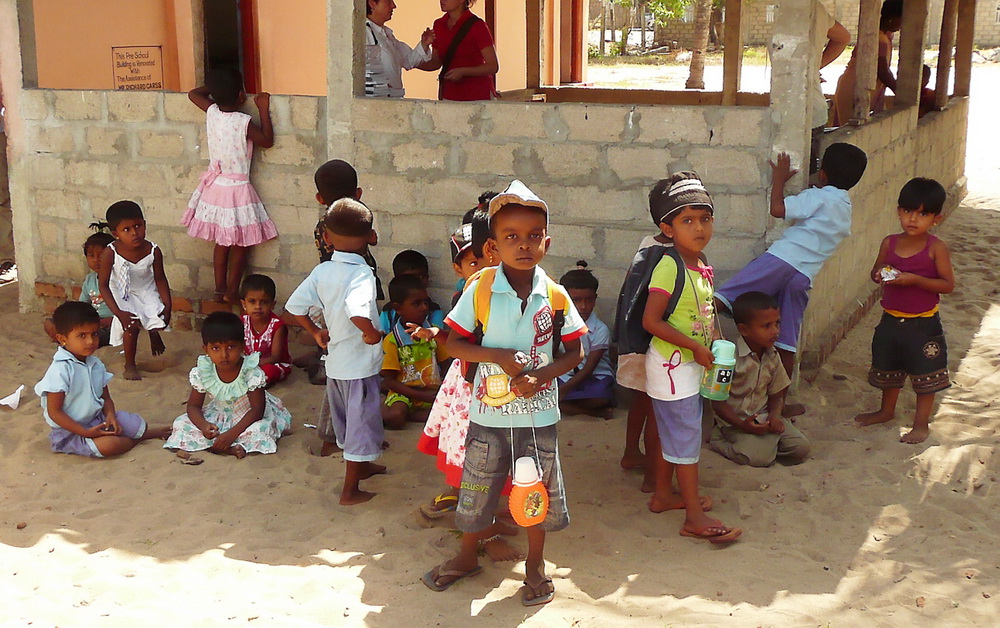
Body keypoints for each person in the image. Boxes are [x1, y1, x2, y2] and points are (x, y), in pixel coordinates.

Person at [421, 180, 587, 607]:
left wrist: (543, 375)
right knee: (477, 490)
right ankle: (466, 557)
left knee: (535, 493)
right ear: (493, 247)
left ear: (547, 242)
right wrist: (495, 355)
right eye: (511, 237)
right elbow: (451, 343)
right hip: (487, 417)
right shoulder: (480, 288)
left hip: (538, 418)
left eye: (534, 236)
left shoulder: (555, 296)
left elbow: (575, 352)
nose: (524, 245)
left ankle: (535, 567)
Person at [715, 144, 868, 415]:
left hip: (782, 260)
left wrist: (779, 179)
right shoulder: (844, 208)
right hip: (803, 277)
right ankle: (778, 405)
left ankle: (691, 330)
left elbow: (778, 209)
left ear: (822, 173)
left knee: (723, 297)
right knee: (785, 341)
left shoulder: (818, 197)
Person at [642, 172, 740, 544]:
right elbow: (651, 321)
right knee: (685, 437)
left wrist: (715, 343)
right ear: (667, 229)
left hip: (690, 364)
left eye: (705, 218)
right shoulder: (669, 266)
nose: (699, 228)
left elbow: (705, 311)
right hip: (672, 367)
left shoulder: (701, 263)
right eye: (687, 221)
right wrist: (695, 348)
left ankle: (663, 496)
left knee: (675, 432)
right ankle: (694, 517)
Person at [286, 199, 386, 505]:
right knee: (361, 425)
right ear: (372, 236)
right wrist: (371, 333)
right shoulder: (362, 274)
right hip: (360, 366)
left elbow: (295, 306)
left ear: (326, 237)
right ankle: (350, 490)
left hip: (337, 365)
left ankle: (363, 467)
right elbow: (356, 310)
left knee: (349, 421)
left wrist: (315, 332)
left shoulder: (323, 271)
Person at [854, 178, 954, 444]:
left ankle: (920, 424)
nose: (913, 219)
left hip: (924, 325)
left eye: (922, 214)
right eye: (908, 211)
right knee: (890, 369)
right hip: (890, 319)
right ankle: (886, 411)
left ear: (935, 218)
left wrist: (916, 280)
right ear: (898, 210)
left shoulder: (936, 248)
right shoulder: (889, 243)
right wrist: (881, 274)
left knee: (926, 375)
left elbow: (947, 284)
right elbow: (875, 271)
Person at [183, 68, 276, 304]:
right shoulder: (243, 121)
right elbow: (267, 140)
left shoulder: (212, 112)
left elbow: (193, 94)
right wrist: (263, 109)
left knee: (222, 242)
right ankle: (232, 291)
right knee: (241, 242)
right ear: (241, 95)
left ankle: (219, 289)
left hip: (216, 187)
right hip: (237, 189)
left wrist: (215, 87)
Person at [34, 301, 170, 457]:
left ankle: (139, 435)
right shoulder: (60, 370)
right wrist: (85, 432)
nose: (90, 341)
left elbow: (106, 398)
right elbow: (54, 412)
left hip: (98, 418)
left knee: (137, 425)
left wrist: (110, 415)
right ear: (62, 339)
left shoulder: (95, 364)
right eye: (82, 336)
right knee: (111, 445)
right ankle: (137, 440)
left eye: (95, 334)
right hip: (71, 430)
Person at [164, 311, 292, 458]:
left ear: (242, 346)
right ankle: (226, 447)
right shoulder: (204, 371)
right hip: (218, 415)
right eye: (216, 348)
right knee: (181, 423)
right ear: (206, 349)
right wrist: (204, 427)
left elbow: (257, 410)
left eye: (231, 347)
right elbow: (193, 406)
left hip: (248, 417)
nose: (224, 355)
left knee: (260, 430)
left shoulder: (250, 371)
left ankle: (221, 445)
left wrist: (232, 434)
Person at [708, 292, 811, 467]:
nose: (775, 331)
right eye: (766, 326)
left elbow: (777, 395)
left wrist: (774, 416)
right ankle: (719, 440)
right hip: (734, 423)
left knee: (800, 448)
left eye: (777, 324)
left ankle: (763, 444)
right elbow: (718, 403)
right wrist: (742, 425)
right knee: (758, 459)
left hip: (764, 418)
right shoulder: (729, 358)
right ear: (744, 330)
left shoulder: (772, 355)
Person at [98, 201, 172, 381]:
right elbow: (103, 285)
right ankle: (130, 365)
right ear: (116, 233)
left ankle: (153, 333)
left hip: (145, 288)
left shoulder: (153, 250)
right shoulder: (111, 252)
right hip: (121, 290)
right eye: (127, 229)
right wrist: (119, 313)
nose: (134, 232)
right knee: (131, 324)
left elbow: (160, 279)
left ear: (144, 225)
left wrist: (168, 305)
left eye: (138, 226)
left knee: (157, 315)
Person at [380, 275, 449, 429]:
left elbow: (446, 366)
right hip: (403, 394)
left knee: (450, 415)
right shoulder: (392, 340)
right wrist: (421, 395)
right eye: (416, 303)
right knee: (395, 416)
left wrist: (444, 391)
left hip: (431, 392)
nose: (424, 307)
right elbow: (390, 381)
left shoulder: (434, 334)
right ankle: (396, 411)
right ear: (398, 308)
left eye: (426, 302)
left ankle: (412, 415)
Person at [558, 261, 614, 419]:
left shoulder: (600, 329)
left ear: (595, 299)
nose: (583, 306)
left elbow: (589, 368)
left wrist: (564, 390)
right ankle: (593, 413)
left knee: (600, 398)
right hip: (566, 376)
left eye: (588, 300)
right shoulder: (558, 325)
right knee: (547, 395)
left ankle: (574, 406)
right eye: (576, 300)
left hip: (594, 377)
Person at [833, 0, 904, 126]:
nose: (902, 25)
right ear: (892, 17)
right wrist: (902, 94)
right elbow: (883, 72)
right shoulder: (876, 37)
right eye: (902, 20)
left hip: (861, 86)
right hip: (854, 87)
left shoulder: (884, 35)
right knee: (852, 128)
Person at [43, 226, 115, 347]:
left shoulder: (120, 281)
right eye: (91, 256)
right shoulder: (90, 280)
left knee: (101, 336)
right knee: (50, 323)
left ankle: (68, 340)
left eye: (101, 255)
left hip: (111, 324)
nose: (96, 260)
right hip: (90, 322)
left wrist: (112, 320)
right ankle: (66, 338)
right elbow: (82, 306)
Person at [425, 0, 499, 101]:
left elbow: (493, 66)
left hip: (477, 95)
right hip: (450, 94)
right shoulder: (439, 24)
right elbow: (436, 62)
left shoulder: (477, 25)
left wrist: (462, 72)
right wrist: (412, 60)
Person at [364, 0, 435, 97]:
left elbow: (408, 60)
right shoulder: (363, 33)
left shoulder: (386, 33)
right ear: (372, 4)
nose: (394, 6)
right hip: (376, 99)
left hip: (391, 99)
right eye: (388, 2)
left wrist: (424, 44)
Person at [809, 5, 850, 172]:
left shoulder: (810, 8)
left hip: (807, 113)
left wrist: (813, 68)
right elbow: (843, 37)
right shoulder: (815, 8)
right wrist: (813, 69)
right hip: (812, 111)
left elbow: (843, 38)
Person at [240, 274, 292, 387]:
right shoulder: (242, 322)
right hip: (247, 364)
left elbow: (275, 357)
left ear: (272, 305)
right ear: (244, 304)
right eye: (252, 301)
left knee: (269, 371)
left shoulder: (277, 326)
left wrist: (250, 365)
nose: (258, 306)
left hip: (273, 364)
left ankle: (256, 382)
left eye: (264, 302)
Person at [379, 250, 444, 332]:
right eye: (408, 278)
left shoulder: (433, 310)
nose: (415, 282)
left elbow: (438, 336)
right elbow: (383, 335)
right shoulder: (388, 312)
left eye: (420, 277)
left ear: (427, 278)